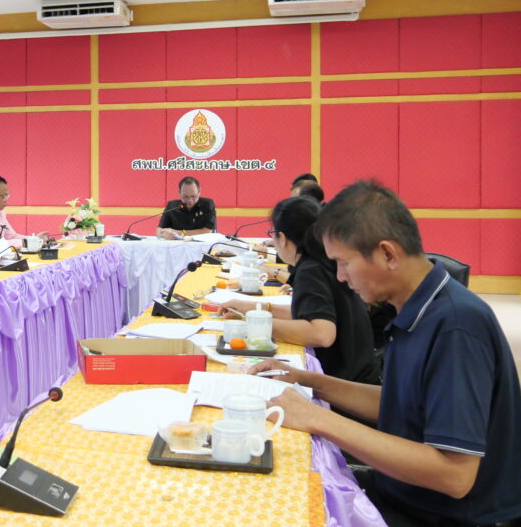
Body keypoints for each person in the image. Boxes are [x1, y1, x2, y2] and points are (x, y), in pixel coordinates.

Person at [249, 181, 521, 526]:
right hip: (401, 492)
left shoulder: (455, 326)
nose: (340, 277)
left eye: (344, 263)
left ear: (387, 254)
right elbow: (398, 403)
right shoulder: (414, 307)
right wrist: (308, 381)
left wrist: (318, 418)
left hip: (441, 515)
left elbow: (454, 475)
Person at [219, 196, 380, 386]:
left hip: (346, 384)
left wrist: (257, 325)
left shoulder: (311, 270)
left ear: (283, 238)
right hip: (361, 374)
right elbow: (312, 313)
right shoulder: (323, 260)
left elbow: (322, 333)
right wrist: (252, 308)